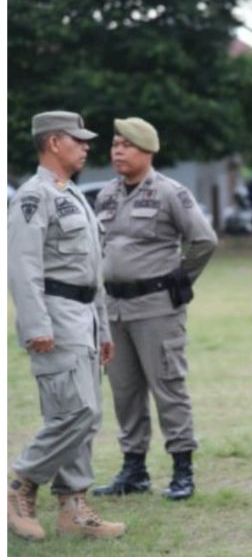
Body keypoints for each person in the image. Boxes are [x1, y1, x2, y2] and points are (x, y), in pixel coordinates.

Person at [8, 111, 125, 540]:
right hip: (55, 317)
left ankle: (73, 508)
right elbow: (22, 267)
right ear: (55, 142)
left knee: (85, 417)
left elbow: (89, 270)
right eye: (79, 139)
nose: (87, 146)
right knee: (76, 410)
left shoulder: (69, 193)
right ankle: (20, 482)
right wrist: (36, 325)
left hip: (83, 317)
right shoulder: (33, 196)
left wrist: (104, 329)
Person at [92, 118, 217, 502]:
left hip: (157, 309)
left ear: (146, 151)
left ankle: (182, 470)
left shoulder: (170, 193)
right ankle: (134, 471)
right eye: (114, 145)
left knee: (168, 388)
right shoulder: (106, 195)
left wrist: (177, 282)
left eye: (125, 145)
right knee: (124, 392)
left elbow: (204, 241)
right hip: (115, 309)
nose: (116, 151)